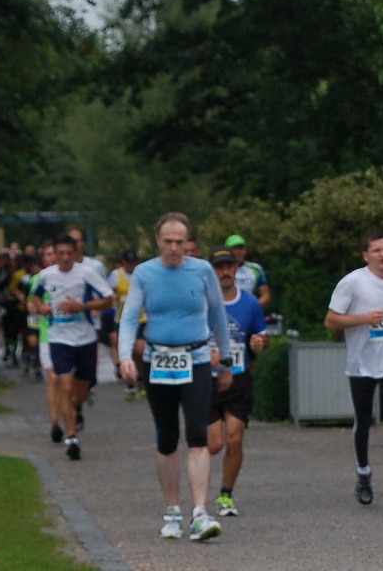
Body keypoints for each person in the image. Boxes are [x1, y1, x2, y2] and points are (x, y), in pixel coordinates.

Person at [118, 212, 234, 542]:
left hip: (195, 358)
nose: (173, 248)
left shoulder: (202, 271)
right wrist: (126, 356)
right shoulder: (145, 273)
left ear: (188, 243)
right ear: (157, 242)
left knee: (198, 434)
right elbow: (129, 319)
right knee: (167, 437)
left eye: (179, 242)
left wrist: (224, 361)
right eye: (167, 242)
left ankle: (199, 512)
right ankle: (172, 511)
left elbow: (218, 316)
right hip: (158, 359)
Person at [325, 232, 383, 504]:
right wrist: (363, 318)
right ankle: (363, 474)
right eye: (376, 250)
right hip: (361, 361)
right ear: (365, 255)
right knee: (364, 421)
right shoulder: (352, 283)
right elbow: (331, 321)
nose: (382, 255)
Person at [27, 235, 114, 461]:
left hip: (84, 338)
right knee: (64, 385)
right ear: (54, 254)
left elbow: (109, 299)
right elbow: (34, 298)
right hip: (59, 338)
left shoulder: (86, 273)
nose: (65, 258)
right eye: (60, 253)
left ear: (75, 253)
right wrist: (42, 308)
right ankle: (72, 436)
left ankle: (74, 410)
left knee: (82, 388)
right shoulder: (46, 276)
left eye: (69, 253)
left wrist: (82, 306)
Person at [205, 248, 268, 516]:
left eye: (228, 266)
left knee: (235, 438)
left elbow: (262, 337)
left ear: (236, 269)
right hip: (207, 380)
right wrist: (207, 354)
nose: (224, 272)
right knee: (214, 444)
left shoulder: (250, 303)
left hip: (239, 378)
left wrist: (260, 343)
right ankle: (200, 490)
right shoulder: (203, 303)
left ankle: (226, 494)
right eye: (218, 268)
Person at [108, 249, 139, 395]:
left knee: (140, 349)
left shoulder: (141, 273)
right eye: (128, 263)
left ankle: (141, 378)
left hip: (142, 318)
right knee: (127, 352)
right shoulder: (116, 275)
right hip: (122, 320)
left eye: (134, 263)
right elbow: (107, 292)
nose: (131, 266)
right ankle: (130, 384)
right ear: (123, 263)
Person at [226, 235, 271, 309]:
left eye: (240, 249)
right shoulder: (220, 270)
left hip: (249, 312)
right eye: (234, 249)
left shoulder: (256, 269)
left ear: (245, 250)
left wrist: (251, 307)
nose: (238, 252)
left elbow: (266, 296)